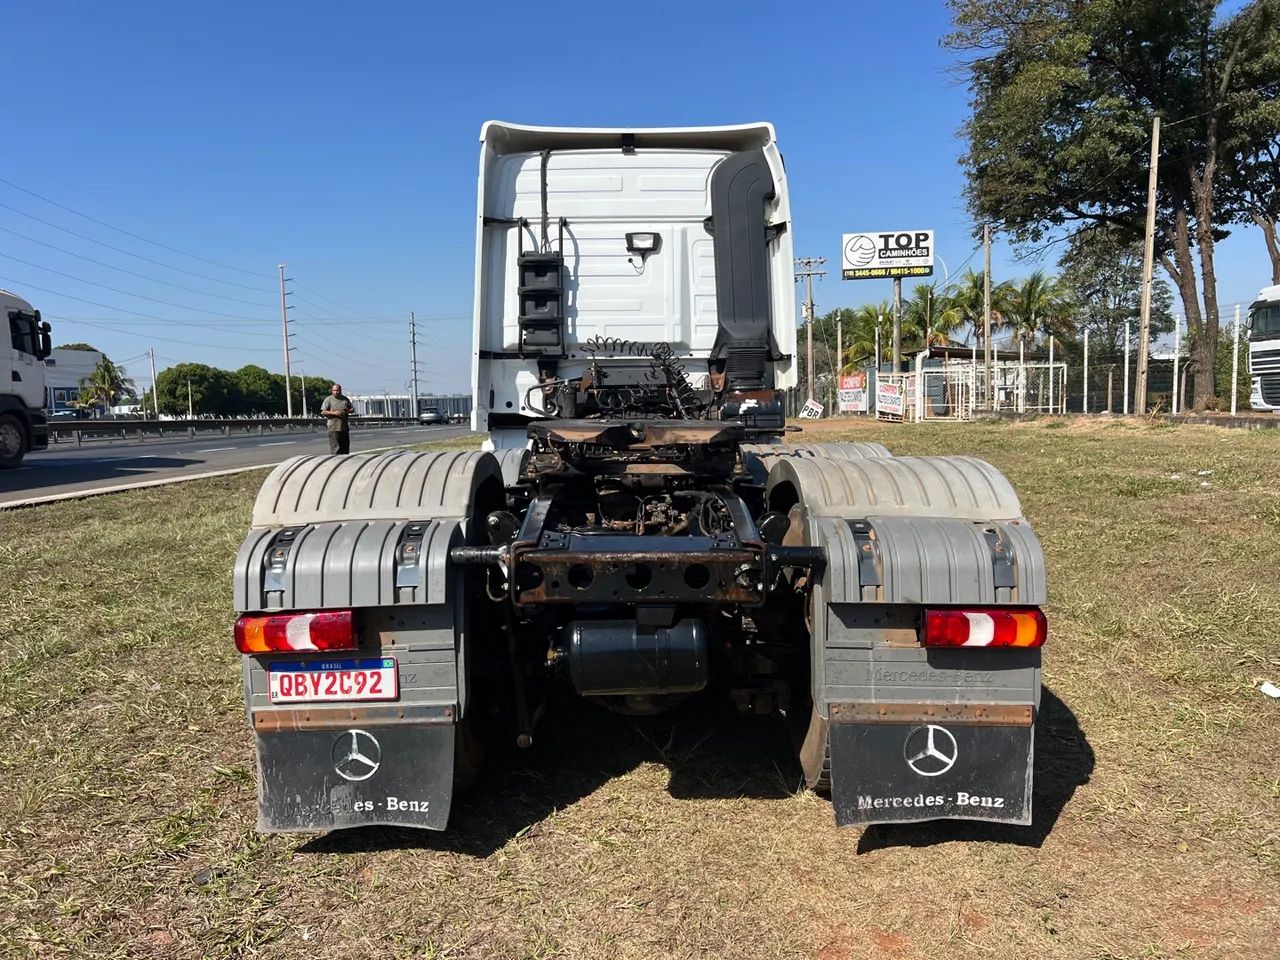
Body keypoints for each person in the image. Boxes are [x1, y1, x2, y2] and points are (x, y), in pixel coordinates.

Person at [320, 383, 354, 454]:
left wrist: (347, 411)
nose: (336, 392)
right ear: (332, 391)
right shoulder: (329, 399)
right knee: (336, 449)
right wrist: (335, 413)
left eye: (337, 390)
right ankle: (336, 460)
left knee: (345, 448)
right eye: (334, 390)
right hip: (333, 427)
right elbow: (323, 412)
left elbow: (352, 409)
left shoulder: (345, 399)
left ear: (340, 390)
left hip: (344, 427)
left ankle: (345, 459)